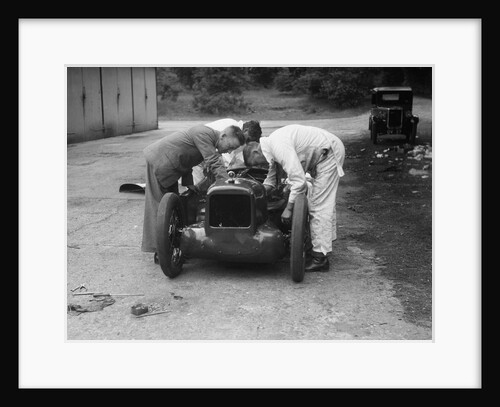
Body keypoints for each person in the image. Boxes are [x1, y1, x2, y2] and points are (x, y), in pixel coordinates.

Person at [242, 124, 345, 272]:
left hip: (327, 154)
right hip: (322, 152)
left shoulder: (278, 146)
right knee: (322, 203)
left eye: (258, 162)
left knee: (319, 206)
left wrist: (289, 209)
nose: (262, 165)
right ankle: (322, 247)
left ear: (256, 150)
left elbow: (299, 181)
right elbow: (271, 181)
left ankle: (320, 259)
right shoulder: (270, 147)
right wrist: (254, 194)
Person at [141, 124, 245, 258]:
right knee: (159, 207)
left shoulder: (209, 140)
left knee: (173, 208)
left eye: (233, 149)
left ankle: (169, 244)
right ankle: (159, 250)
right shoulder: (203, 133)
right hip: (159, 161)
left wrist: (188, 183)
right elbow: (213, 160)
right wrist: (227, 183)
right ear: (223, 136)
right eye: (230, 147)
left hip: (171, 167)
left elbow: (187, 157)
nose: (229, 152)